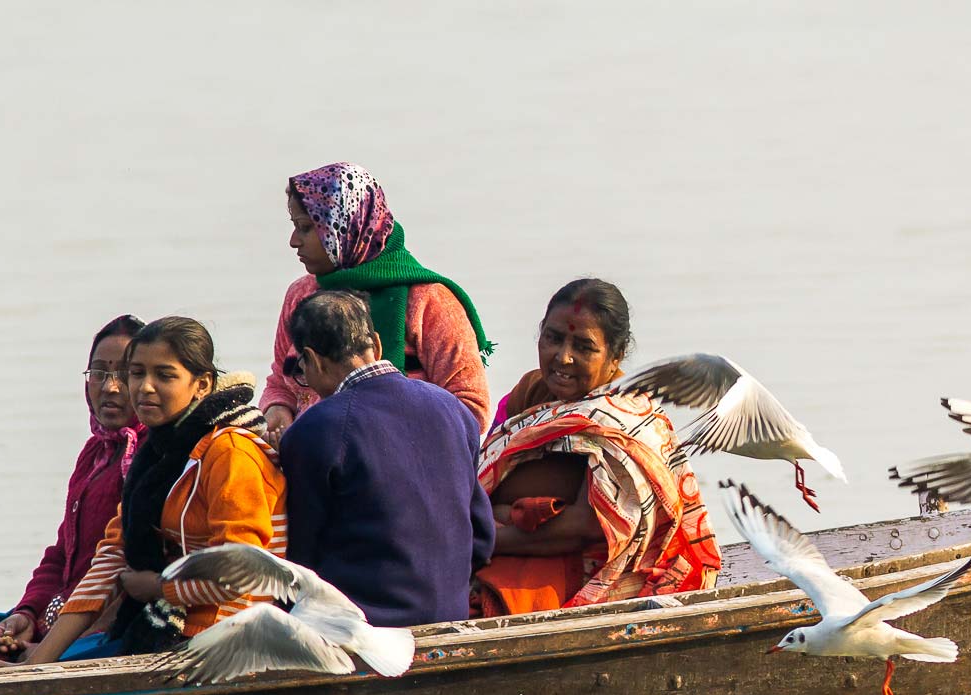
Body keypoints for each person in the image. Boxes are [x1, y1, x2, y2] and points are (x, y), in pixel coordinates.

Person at [22, 317, 286, 663]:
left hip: (231, 640)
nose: (144, 387)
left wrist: (161, 588)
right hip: (177, 627)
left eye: (164, 375)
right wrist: (36, 662)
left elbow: (244, 576)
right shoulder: (155, 453)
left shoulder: (229, 453)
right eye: (137, 373)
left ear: (202, 384)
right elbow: (113, 555)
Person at [474, 279, 720, 615]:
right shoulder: (531, 391)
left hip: (596, 570)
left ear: (615, 355)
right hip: (508, 546)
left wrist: (479, 538)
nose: (563, 358)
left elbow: (587, 527)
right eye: (554, 338)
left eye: (584, 347)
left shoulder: (624, 420)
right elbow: (483, 477)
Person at [278, 291, 494, 626]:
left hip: (365, 630)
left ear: (312, 359)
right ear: (376, 344)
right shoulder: (453, 408)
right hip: (449, 613)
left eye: (301, 369)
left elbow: (301, 558)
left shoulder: (314, 431)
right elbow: (482, 535)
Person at [261, 162, 493, 441]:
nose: (293, 241)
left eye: (306, 228)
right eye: (295, 227)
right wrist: (278, 411)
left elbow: (471, 407)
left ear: (346, 228)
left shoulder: (429, 301)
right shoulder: (301, 295)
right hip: (313, 458)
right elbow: (279, 381)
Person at [0, 315, 146, 659]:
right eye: (99, 373)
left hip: (99, 630)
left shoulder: (150, 455)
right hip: (60, 619)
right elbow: (63, 552)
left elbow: (123, 570)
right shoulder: (95, 452)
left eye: (124, 374)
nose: (110, 387)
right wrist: (26, 613)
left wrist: (51, 649)